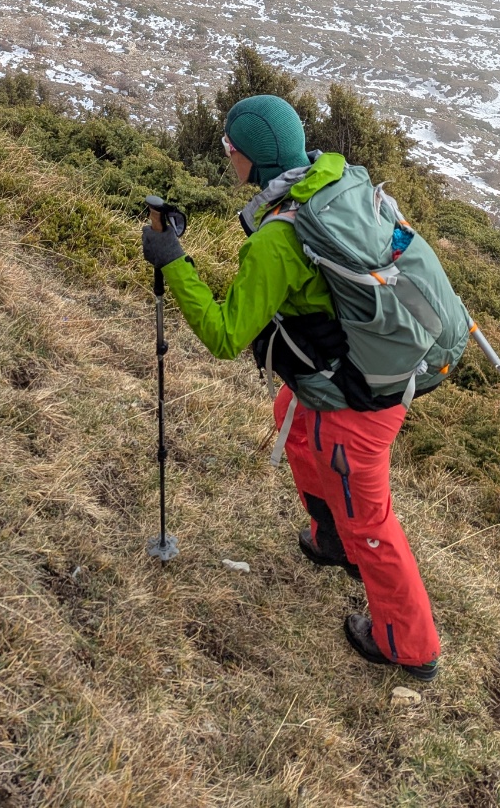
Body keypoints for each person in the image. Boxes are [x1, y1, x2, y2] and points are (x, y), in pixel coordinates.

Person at [142, 92, 440, 682]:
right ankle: (331, 539)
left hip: (359, 402)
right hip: (349, 374)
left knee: (372, 520)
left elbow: (227, 335)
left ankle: (410, 646)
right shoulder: (330, 180)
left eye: (230, 149)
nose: (227, 157)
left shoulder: (280, 237)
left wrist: (173, 261)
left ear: (251, 157)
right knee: (294, 419)